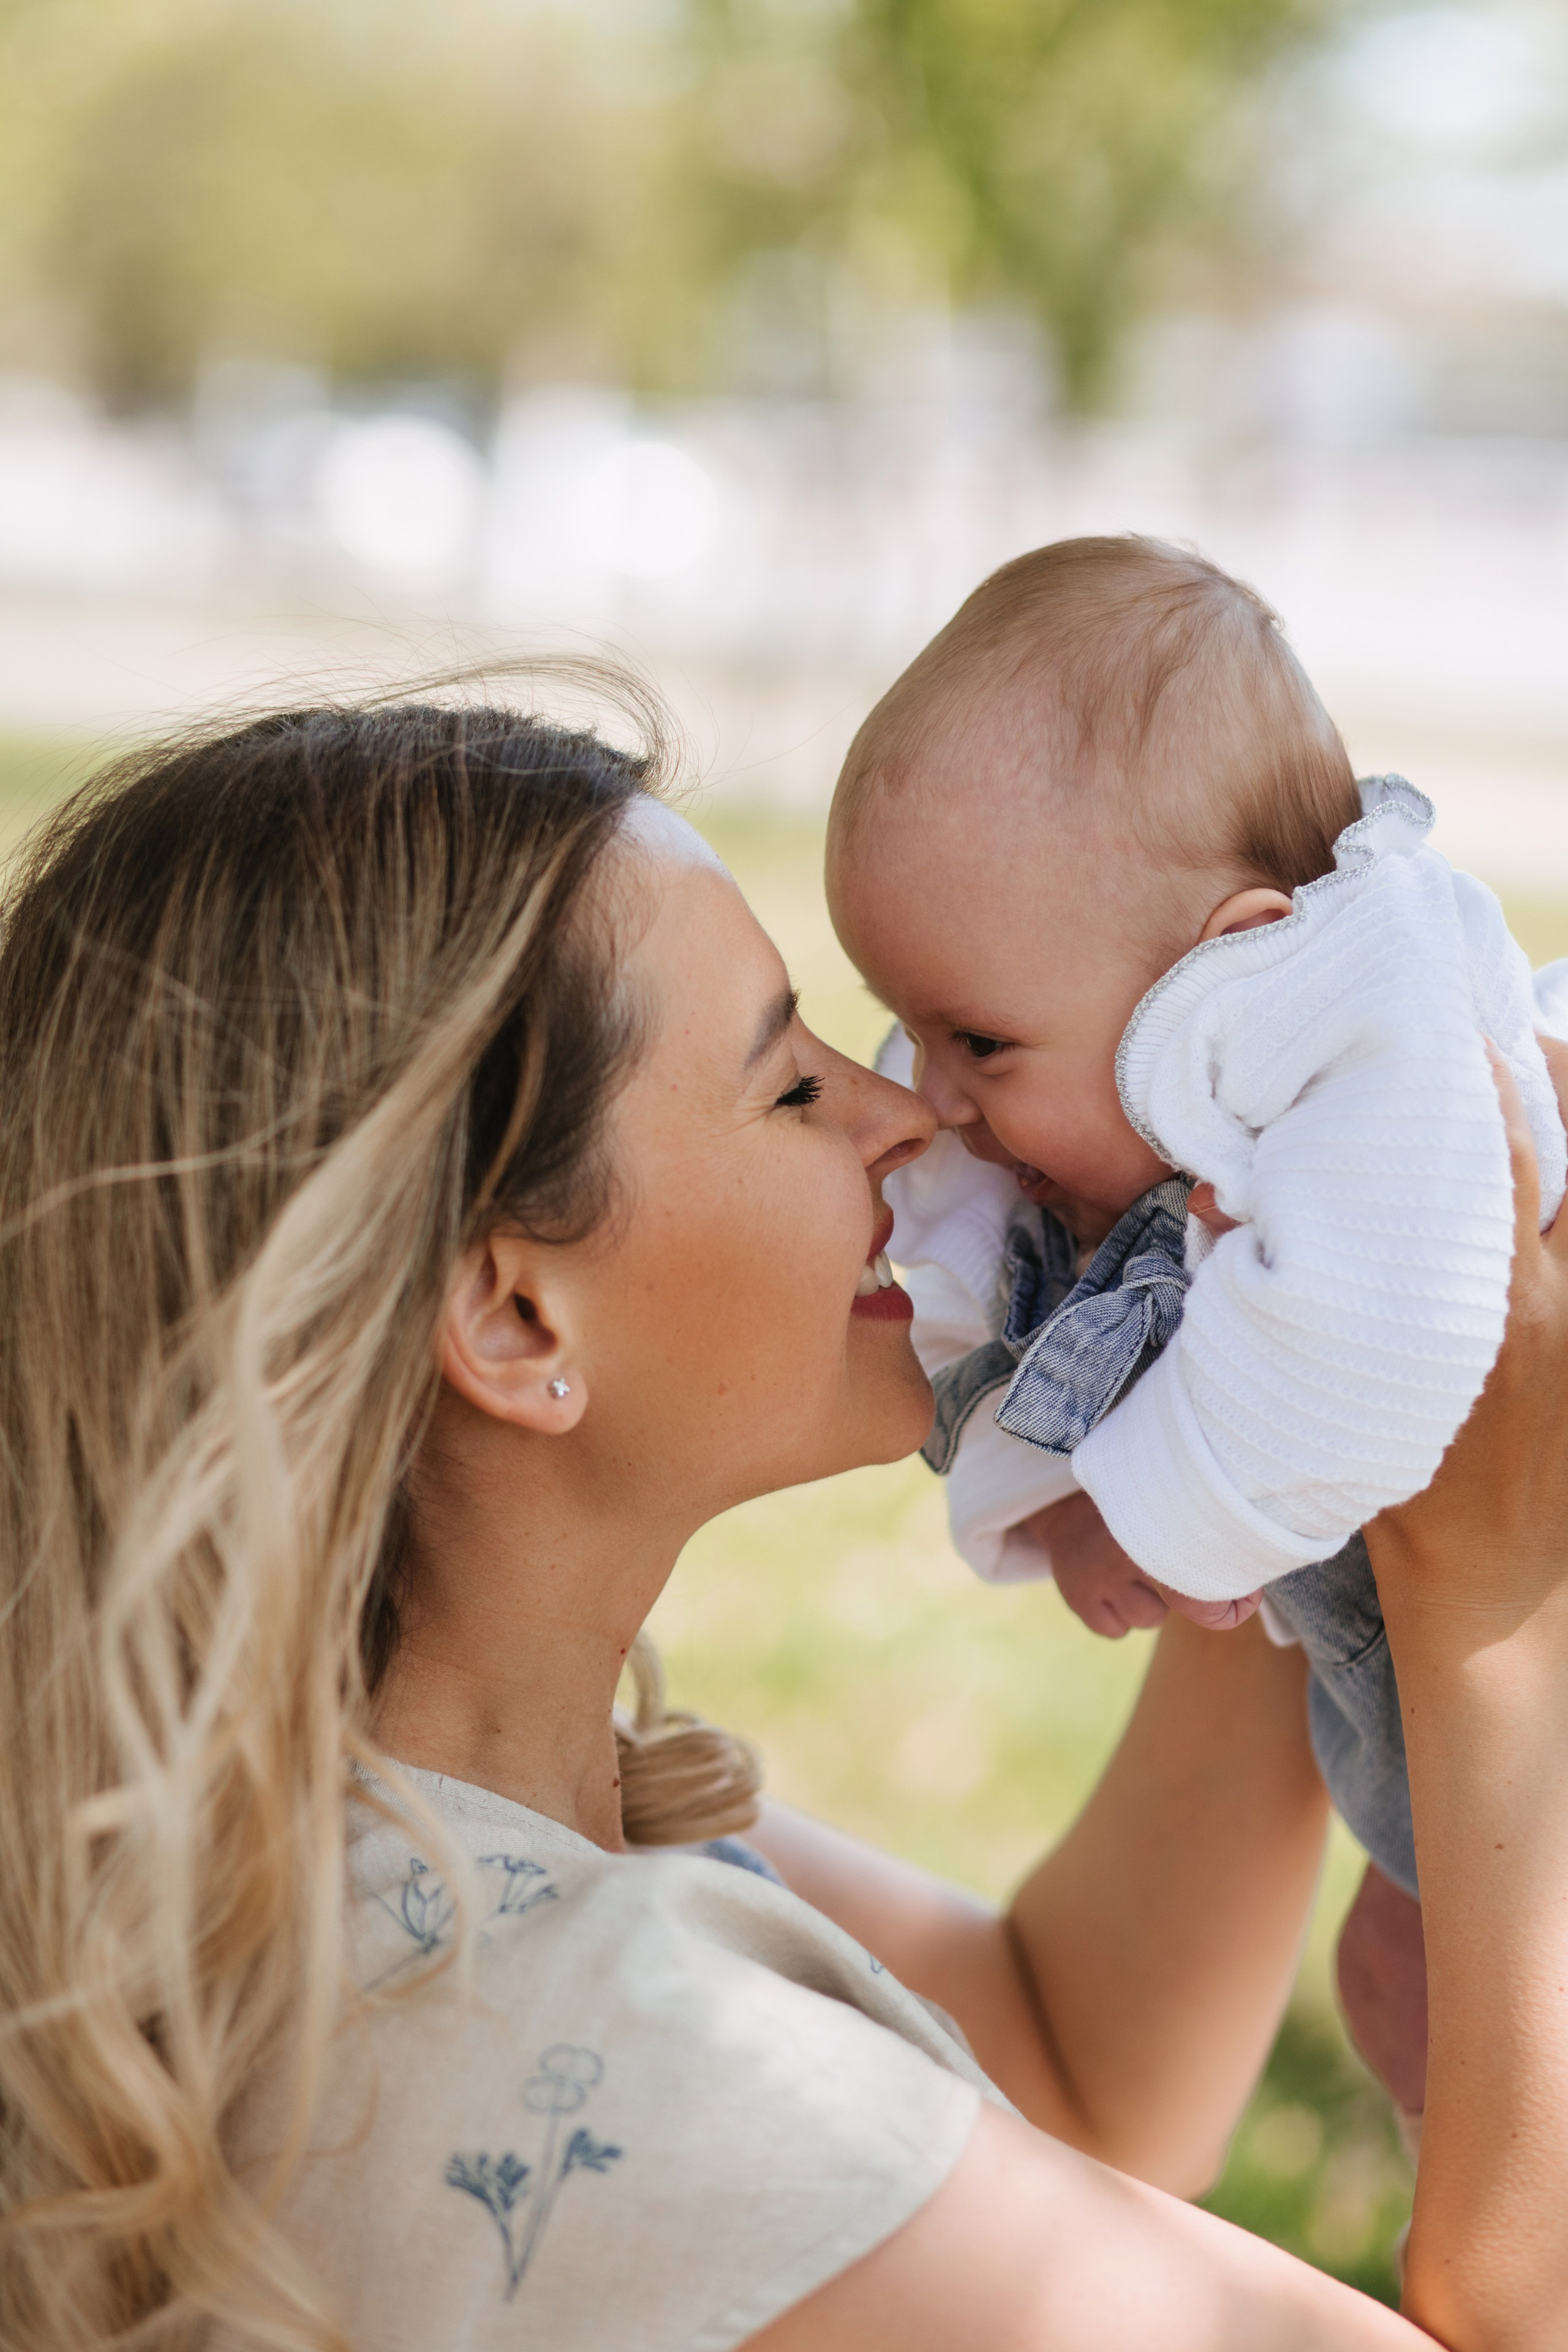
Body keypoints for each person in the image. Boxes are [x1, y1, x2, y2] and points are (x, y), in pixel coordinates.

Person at [0, 692, 1564, 2352]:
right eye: (789, 1086)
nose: (910, 1114)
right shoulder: (630, 2060)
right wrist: (1494, 1600)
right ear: (518, 1323)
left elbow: (1081, 2067)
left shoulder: (364, 1845)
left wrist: (1306, 1369)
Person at [823, 532, 1568, 2134]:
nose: (932, 1095)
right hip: (1472, 1676)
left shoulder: (1371, 1051)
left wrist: (1155, 1528)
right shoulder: (1175, 1065)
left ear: (1220, 975)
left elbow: (1374, 1352)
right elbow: (986, 1262)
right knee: (1403, 1989)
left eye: (979, 1041)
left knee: (1453, 2021)